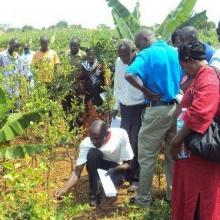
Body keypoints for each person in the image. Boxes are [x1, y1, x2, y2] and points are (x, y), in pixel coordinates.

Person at [125, 28, 182, 207]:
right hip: (175, 108)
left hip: (156, 110)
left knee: (147, 157)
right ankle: (173, 196)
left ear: (144, 38)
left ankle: (143, 200)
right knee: (172, 155)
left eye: (138, 45)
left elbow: (129, 74)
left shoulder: (147, 54)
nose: (138, 49)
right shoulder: (175, 52)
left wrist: (146, 91)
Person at [171, 41, 220, 220]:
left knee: (199, 200)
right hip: (193, 151)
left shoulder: (208, 77)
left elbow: (201, 113)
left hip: (202, 154)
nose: (183, 70)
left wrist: (176, 141)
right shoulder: (200, 76)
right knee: (192, 196)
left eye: (182, 65)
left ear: (189, 60)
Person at [55, 120, 134, 207]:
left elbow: (127, 164)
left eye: (97, 138)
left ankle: (106, 191)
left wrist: (115, 170)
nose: (94, 142)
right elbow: (77, 170)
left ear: (106, 135)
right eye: (91, 138)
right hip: (99, 166)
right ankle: (94, 193)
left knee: (108, 187)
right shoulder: (87, 143)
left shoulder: (120, 135)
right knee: (93, 153)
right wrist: (65, 189)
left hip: (116, 168)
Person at [112, 39, 145, 192]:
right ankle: (126, 173)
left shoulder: (141, 61)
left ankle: (136, 178)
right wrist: (115, 106)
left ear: (133, 51)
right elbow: (117, 85)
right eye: (120, 55)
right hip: (125, 109)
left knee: (137, 143)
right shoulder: (119, 62)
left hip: (139, 108)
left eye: (126, 55)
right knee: (125, 142)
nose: (123, 58)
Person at [78, 48, 108, 134]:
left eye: (92, 54)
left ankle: (101, 135)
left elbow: (106, 80)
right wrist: (81, 87)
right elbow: (80, 78)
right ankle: (89, 135)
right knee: (88, 116)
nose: (90, 56)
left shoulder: (101, 65)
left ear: (96, 55)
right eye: (88, 55)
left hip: (99, 96)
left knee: (100, 115)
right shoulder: (84, 66)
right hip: (88, 96)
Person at [61, 37, 86, 128]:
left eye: (75, 45)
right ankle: (68, 127)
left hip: (78, 88)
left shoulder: (84, 55)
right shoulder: (65, 54)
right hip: (66, 87)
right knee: (65, 109)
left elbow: (86, 70)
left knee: (77, 109)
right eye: (71, 45)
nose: (73, 47)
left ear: (79, 45)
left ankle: (77, 128)